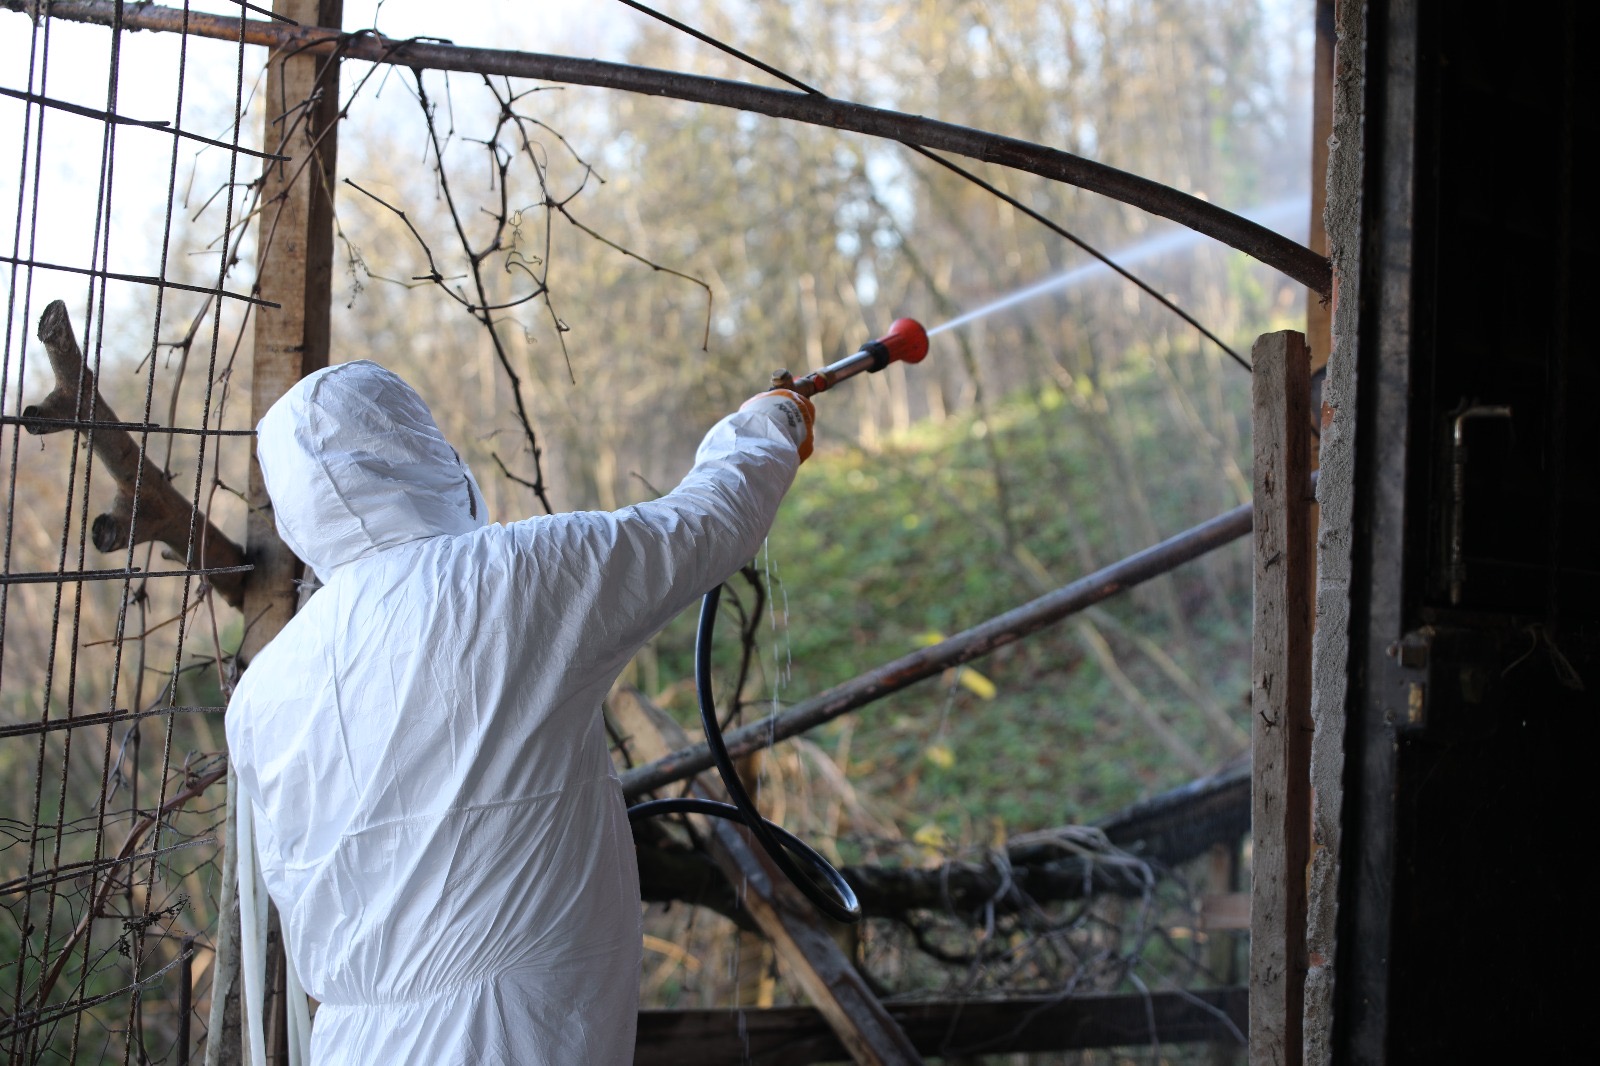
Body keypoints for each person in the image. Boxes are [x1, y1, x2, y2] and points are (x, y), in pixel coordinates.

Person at [225, 360, 815, 1064]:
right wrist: (768, 422)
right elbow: (704, 524)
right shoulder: (507, 577)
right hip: (509, 1038)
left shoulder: (263, 692)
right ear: (421, 446)